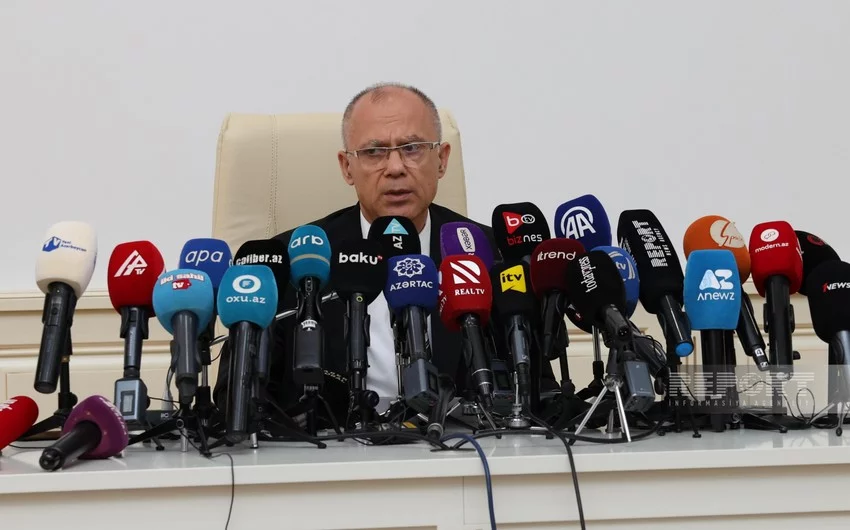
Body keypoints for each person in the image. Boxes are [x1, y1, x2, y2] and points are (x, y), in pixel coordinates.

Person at [214, 82, 550, 428]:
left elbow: (539, 395)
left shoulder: (494, 255)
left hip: (466, 449)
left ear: (442, 159)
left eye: (412, 148)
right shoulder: (288, 261)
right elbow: (234, 400)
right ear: (347, 167)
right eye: (374, 152)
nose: (395, 167)